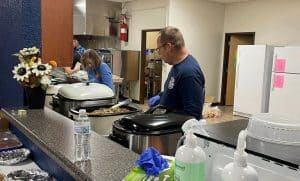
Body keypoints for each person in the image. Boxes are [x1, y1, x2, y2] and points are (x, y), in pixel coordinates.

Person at [148, 26, 205, 120]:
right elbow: (174, 89)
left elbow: (192, 115)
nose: (159, 54)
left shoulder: (189, 72)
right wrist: (161, 96)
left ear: (168, 47)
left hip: (179, 131)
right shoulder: (177, 66)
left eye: (159, 49)